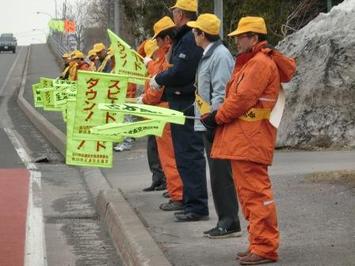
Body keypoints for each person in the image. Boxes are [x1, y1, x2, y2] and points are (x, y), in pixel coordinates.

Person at [201, 16, 296, 264]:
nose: (237, 41)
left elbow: (242, 99)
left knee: (255, 194)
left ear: (254, 38)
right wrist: (219, 117)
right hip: (246, 138)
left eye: (241, 37)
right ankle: (258, 243)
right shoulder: (253, 62)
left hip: (249, 139)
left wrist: (217, 117)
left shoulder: (259, 64)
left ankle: (264, 247)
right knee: (248, 195)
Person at [150, 0, 209, 222]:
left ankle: (196, 205)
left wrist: (159, 79)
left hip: (185, 102)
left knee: (189, 155)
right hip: (179, 102)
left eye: (175, 10)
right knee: (184, 155)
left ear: (181, 13)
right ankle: (190, 202)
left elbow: (182, 71)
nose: (173, 14)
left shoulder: (188, 38)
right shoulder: (184, 38)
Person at [187, 13, 242, 238]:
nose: (192, 34)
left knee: (221, 175)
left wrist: (214, 119)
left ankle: (229, 222)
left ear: (202, 34)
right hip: (208, 123)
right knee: (217, 175)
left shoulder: (219, 56)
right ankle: (226, 220)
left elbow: (221, 92)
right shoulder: (208, 54)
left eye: (195, 31)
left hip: (215, 124)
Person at [140, 17, 184, 210]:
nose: (155, 43)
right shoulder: (167, 56)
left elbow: (158, 85)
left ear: (166, 39)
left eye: (158, 39)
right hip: (164, 109)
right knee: (171, 155)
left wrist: (144, 99)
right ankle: (177, 191)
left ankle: (178, 195)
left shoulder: (168, 57)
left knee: (169, 156)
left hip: (164, 110)